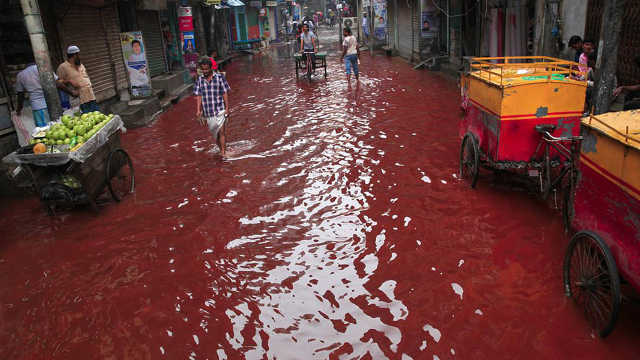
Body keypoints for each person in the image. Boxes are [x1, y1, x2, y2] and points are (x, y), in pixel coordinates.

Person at [194, 57, 231, 158]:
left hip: (220, 109)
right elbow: (199, 95)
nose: (205, 71)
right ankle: (221, 149)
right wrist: (198, 110)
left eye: (207, 69)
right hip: (208, 112)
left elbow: (224, 93)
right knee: (215, 135)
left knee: (222, 131)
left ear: (211, 68)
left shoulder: (219, 77)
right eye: (203, 69)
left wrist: (227, 108)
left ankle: (223, 153)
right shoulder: (200, 80)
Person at [56, 45, 99, 113]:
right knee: (85, 119)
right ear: (75, 55)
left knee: (97, 116)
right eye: (79, 54)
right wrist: (71, 90)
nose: (80, 56)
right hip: (79, 100)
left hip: (91, 97)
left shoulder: (80, 65)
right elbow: (58, 84)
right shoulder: (63, 67)